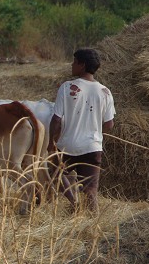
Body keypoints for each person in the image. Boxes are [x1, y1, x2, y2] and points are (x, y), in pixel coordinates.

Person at [48, 48, 115, 213]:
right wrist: (96, 131)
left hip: (67, 146)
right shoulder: (105, 92)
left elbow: (56, 119)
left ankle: (73, 202)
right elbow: (109, 124)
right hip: (92, 147)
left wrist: (51, 142)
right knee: (91, 191)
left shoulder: (67, 87)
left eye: (74, 62)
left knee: (54, 171)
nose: (72, 65)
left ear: (82, 65)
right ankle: (94, 226)